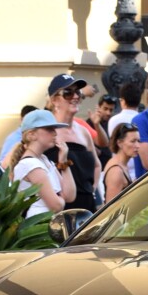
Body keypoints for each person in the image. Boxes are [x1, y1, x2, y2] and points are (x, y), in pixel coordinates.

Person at [44, 74, 102, 211]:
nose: (75, 96)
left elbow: (97, 165)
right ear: (54, 100)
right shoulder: (46, 130)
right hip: (60, 209)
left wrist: (91, 190)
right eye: (68, 93)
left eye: (78, 92)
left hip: (87, 207)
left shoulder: (83, 132)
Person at [7, 110, 75, 217]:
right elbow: (56, 206)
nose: (55, 133)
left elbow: (70, 196)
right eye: (49, 129)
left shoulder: (44, 159)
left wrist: (63, 162)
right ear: (31, 135)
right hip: (39, 228)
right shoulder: (30, 164)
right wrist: (61, 200)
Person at [103, 123, 140, 202]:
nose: (138, 145)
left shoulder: (122, 165)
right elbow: (111, 208)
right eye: (133, 141)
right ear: (119, 143)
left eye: (138, 141)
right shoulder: (116, 171)